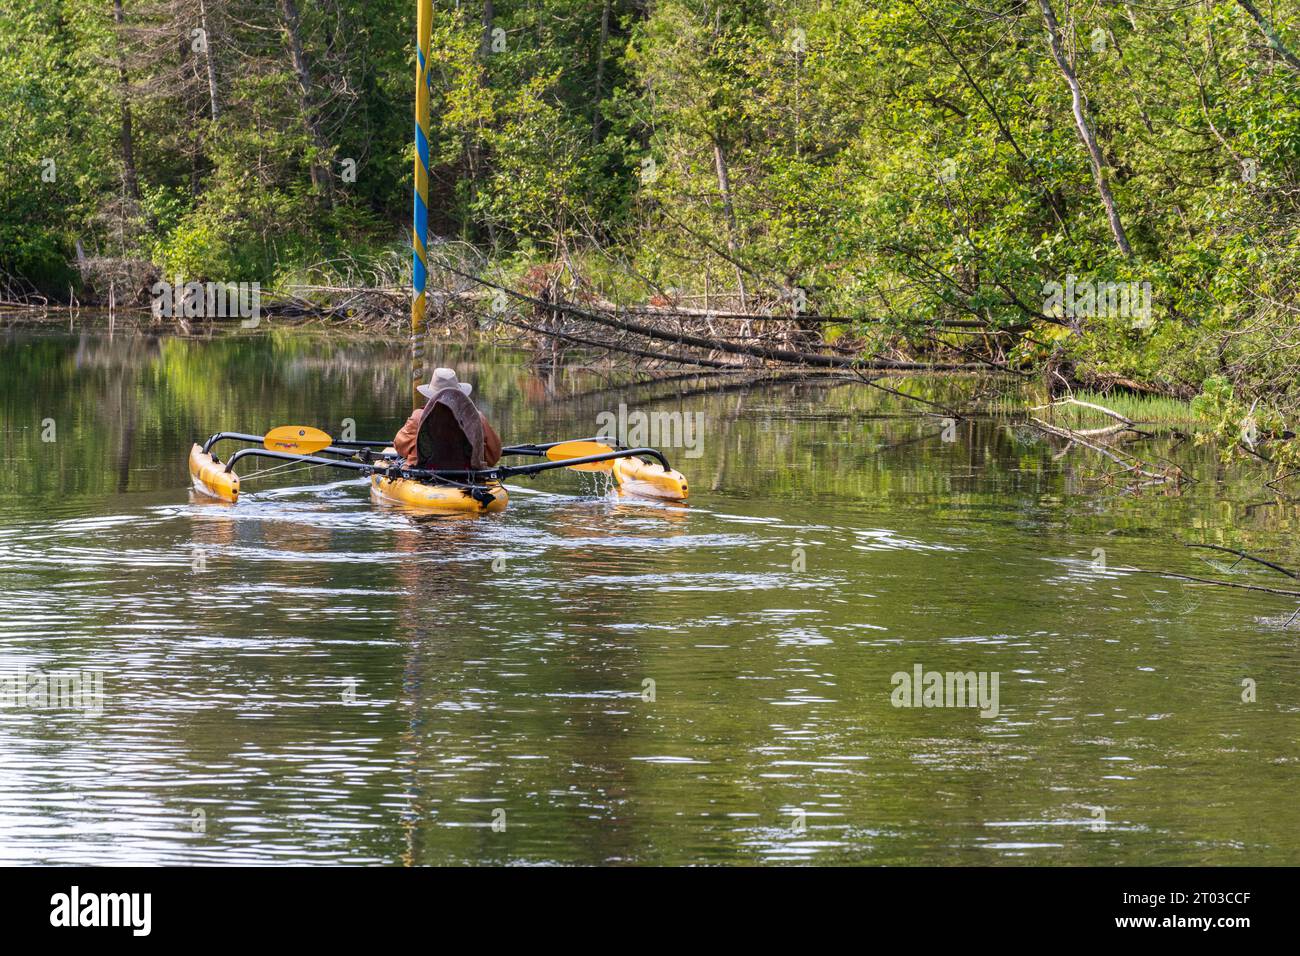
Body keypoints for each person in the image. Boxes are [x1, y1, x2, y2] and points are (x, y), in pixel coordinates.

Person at [393, 367, 502, 469]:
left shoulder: (417, 417)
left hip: (424, 475)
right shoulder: (477, 418)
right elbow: (494, 455)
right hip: (469, 477)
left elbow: (399, 446)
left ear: (430, 395)